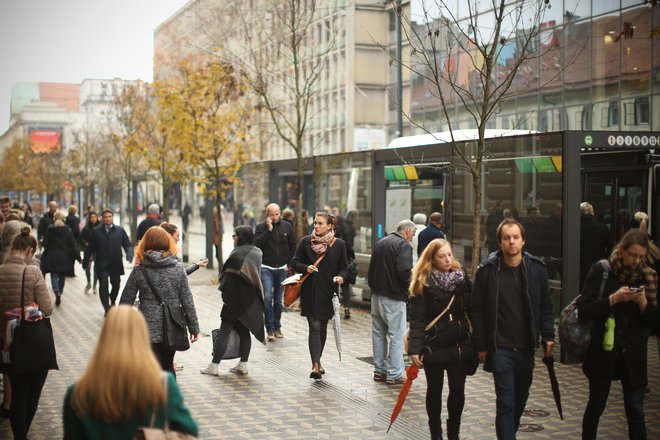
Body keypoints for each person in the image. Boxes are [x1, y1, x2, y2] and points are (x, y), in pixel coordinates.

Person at [471, 218, 555, 440]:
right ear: (500, 242)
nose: (511, 242)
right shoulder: (488, 270)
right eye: (506, 238)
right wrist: (481, 344)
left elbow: (546, 304)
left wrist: (548, 335)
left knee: (519, 400)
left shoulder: (536, 269)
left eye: (515, 237)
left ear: (523, 240)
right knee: (505, 401)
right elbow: (476, 309)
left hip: (527, 347)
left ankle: (510, 433)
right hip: (501, 349)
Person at [63, 305, 198, 439]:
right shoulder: (162, 385)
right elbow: (190, 431)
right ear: (143, 336)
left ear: (104, 337)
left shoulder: (77, 393)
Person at [579, 230, 657, 440]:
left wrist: (642, 303)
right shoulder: (602, 270)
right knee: (596, 406)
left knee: (635, 410)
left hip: (634, 352)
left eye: (641, 256)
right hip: (604, 350)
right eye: (633, 255)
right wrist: (613, 299)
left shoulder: (647, 275)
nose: (637, 260)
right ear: (622, 250)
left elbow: (654, 323)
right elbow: (584, 310)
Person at [409, 238, 473, 440]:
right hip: (434, 345)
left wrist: (477, 340)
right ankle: (435, 433)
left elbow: (473, 311)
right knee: (434, 390)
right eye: (441, 256)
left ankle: (453, 433)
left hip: (458, 344)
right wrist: (414, 348)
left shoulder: (461, 279)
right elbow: (418, 320)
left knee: (458, 389)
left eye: (449, 254)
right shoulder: (423, 282)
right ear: (432, 260)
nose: (447, 259)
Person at [119, 226, 200, 375]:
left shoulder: (140, 270)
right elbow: (187, 299)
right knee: (168, 364)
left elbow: (126, 300)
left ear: (145, 243)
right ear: (168, 243)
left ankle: (151, 395)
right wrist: (194, 327)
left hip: (146, 324)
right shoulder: (178, 268)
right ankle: (169, 396)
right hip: (173, 324)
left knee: (150, 366)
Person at [0, 226, 54, 440]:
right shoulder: (32, 271)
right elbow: (48, 308)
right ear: (30, 251)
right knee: (32, 394)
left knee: (18, 393)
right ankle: (22, 435)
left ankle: (19, 436)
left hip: (7, 342)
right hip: (33, 340)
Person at [201, 225, 266, 376]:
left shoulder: (237, 252)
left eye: (235, 235)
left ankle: (214, 366)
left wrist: (225, 290)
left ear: (242, 236)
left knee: (224, 331)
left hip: (233, 298)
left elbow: (226, 275)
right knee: (244, 331)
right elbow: (254, 275)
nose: (234, 238)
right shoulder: (258, 252)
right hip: (249, 299)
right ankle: (243, 365)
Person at [291, 212, 348, 379]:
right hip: (309, 292)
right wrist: (305, 268)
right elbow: (294, 262)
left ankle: (318, 360)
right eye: (315, 223)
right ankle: (315, 364)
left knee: (322, 327)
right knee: (314, 326)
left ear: (329, 226)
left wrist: (341, 277)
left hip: (327, 292)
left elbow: (345, 267)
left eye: (320, 223)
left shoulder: (339, 245)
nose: (316, 226)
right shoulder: (305, 242)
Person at [367, 219, 416, 384]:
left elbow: (371, 269)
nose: (412, 238)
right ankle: (395, 373)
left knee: (378, 334)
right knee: (396, 336)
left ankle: (379, 370)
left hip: (376, 296)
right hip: (394, 297)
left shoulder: (381, 243)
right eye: (413, 235)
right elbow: (404, 272)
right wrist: (411, 289)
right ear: (407, 231)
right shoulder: (403, 245)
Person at [254, 203, 296, 341]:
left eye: (277, 214)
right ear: (268, 214)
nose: (275, 217)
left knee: (278, 301)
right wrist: (269, 231)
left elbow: (293, 246)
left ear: (280, 213)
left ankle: (277, 327)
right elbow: (256, 244)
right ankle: (270, 329)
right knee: (267, 298)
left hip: (282, 269)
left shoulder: (287, 227)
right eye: (272, 214)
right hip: (266, 268)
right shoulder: (261, 227)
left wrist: (289, 265)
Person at [88, 210, 133, 315]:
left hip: (115, 263)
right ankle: (107, 308)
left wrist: (129, 254)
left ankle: (112, 301)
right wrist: (86, 262)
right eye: (105, 217)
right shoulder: (96, 231)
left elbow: (127, 244)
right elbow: (90, 248)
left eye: (109, 216)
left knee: (116, 285)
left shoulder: (119, 230)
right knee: (103, 286)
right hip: (101, 264)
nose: (107, 218)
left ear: (112, 217)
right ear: (102, 218)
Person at [41, 212, 80, 306]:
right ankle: (60, 293)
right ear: (63, 219)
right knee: (62, 276)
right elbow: (72, 245)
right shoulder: (68, 230)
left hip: (51, 256)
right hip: (64, 257)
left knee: (54, 275)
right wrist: (78, 257)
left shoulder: (49, 229)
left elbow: (45, 243)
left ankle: (56, 290)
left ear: (54, 219)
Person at [580, 202, 614, 290]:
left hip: (578, 265)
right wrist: (604, 257)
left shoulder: (575, 228)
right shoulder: (602, 228)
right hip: (597, 265)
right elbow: (611, 247)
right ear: (593, 213)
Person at [81, 211, 101, 294]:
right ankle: (88, 282)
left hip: (97, 250)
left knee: (96, 268)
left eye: (95, 217)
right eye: (91, 217)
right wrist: (86, 243)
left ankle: (94, 285)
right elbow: (82, 237)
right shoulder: (86, 227)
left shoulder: (100, 227)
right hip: (89, 250)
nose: (93, 219)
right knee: (87, 267)